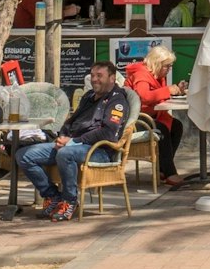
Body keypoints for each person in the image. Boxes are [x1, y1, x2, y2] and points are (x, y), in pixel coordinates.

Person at [15, 62, 131, 221]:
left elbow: (108, 132)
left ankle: (70, 200)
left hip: (98, 150)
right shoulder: (88, 97)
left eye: (100, 76)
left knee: (65, 154)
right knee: (24, 155)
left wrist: (73, 141)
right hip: (72, 144)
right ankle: (52, 195)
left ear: (112, 78)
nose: (95, 79)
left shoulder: (117, 101)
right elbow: (71, 121)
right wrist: (62, 136)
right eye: (93, 75)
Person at [122, 44, 187, 187]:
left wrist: (176, 90)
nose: (169, 70)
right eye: (167, 66)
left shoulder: (156, 75)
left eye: (170, 66)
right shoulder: (142, 74)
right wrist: (168, 90)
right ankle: (169, 172)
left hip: (149, 116)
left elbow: (157, 96)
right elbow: (144, 97)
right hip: (134, 120)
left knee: (177, 126)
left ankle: (163, 169)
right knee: (161, 129)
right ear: (157, 64)